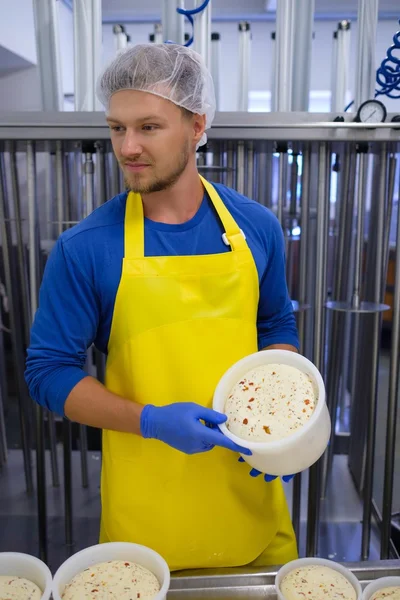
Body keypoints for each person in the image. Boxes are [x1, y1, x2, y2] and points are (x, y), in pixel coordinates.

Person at [25, 43, 299, 571]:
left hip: (252, 503)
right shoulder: (87, 246)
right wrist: (151, 421)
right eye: (116, 128)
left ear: (197, 126)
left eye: (148, 127)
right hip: (146, 523)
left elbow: (275, 324)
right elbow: (48, 372)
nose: (128, 146)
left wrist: (279, 418)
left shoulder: (255, 227)